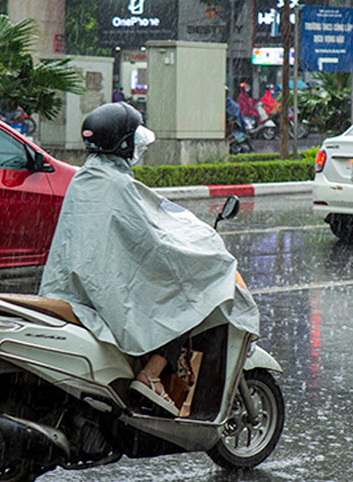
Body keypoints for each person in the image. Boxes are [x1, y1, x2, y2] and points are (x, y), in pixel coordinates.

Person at [39, 102, 259, 416]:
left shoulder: (86, 179)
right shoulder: (117, 184)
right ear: (125, 144)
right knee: (184, 299)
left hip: (74, 286)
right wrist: (197, 249)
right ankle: (151, 374)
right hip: (101, 291)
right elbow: (153, 242)